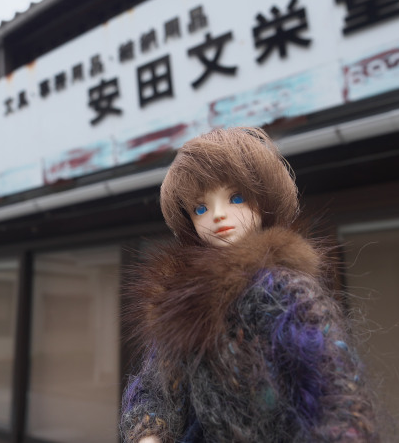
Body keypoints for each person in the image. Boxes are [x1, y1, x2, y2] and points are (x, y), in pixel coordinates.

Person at [120, 127, 378, 442]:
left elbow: (335, 395)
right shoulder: (179, 299)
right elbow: (153, 386)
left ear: (263, 200)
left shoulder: (281, 290)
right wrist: (149, 433)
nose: (218, 215)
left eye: (236, 198)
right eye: (200, 208)